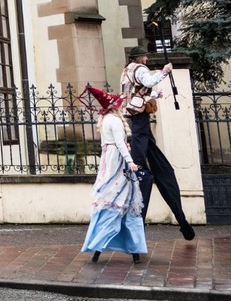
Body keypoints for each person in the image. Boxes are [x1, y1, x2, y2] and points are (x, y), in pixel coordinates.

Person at [121, 47, 195, 240]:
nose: (146, 58)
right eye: (144, 55)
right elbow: (148, 81)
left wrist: (154, 96)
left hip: (133, 112)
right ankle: (138, 164)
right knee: (140, 138)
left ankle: (139, 163)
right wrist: (164, 72)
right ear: (139, 57)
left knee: (144, 138)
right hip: (138, 115)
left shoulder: (127, 70)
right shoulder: (139, 69)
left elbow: (135, 94)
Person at [81, 86, 147, 263]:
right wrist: (131, 161)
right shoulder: (115, 122)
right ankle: (134, 250)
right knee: (122, 199)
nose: (121, 105)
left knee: (114, 199)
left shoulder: (105, 120)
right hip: (118, 163)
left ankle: (99, 249)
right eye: (119, 103)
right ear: (114, 106)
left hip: (109, 162)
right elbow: (120, 144)